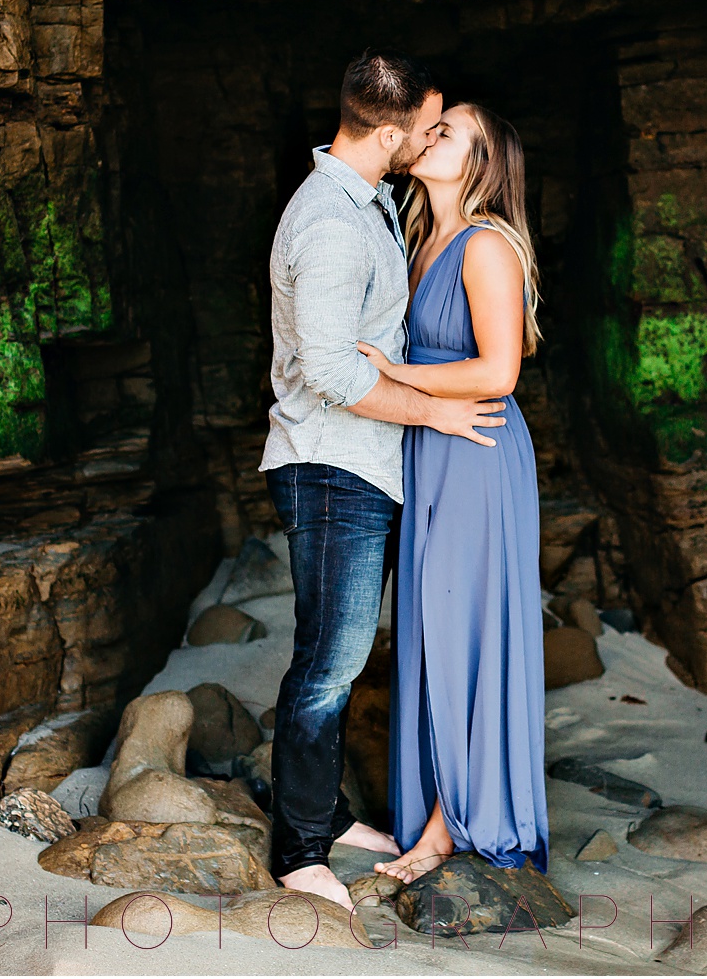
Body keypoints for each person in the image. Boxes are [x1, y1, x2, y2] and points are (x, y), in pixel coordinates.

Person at [259, 50, 510, 912]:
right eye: (429, 126)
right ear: (395, 132)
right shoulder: (332, 219)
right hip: (332, 463)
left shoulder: (365, 206)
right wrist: (432, 412)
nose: (431, 138)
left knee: (340, 652)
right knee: (329, 665)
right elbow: (331, 368)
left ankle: (320, 815)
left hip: (358, 463)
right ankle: (297, 850)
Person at [357, 102, 550, 883]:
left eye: (448, 131)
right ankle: (439, 804)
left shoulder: (487, 246)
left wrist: (392, 372)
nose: (428, 134)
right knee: (428, 629)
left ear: (481, 163)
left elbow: (499, 371)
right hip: (429, 449)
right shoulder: (417, 237)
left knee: (460, 626)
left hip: (475, 449)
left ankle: (451, 825)